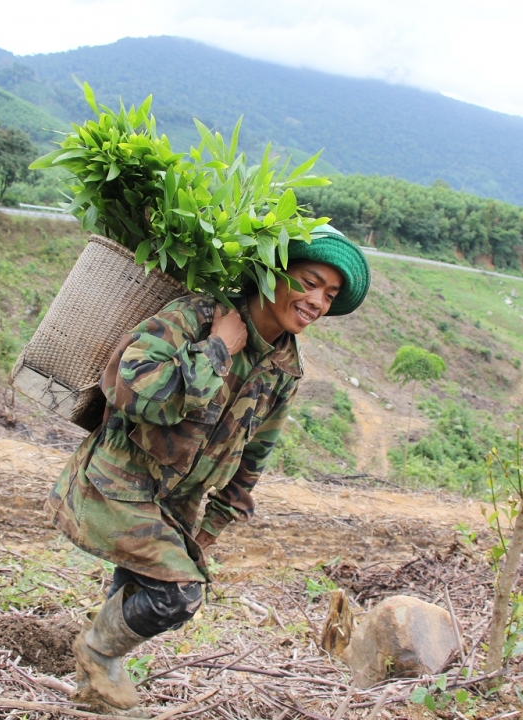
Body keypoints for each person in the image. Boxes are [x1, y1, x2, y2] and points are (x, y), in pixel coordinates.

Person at [46, 224, 370, 710]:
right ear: (273, 274)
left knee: (142, 589)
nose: (317, 301)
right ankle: (94, 655)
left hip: (172, 509)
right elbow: (134, 393)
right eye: (309, 281)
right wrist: (217, 349)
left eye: (330, 293)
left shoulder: (285, 365)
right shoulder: (197, 317)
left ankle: (97, 695)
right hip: (111, 488)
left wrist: (212, 525)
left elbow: (255, 454)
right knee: (177, 595)